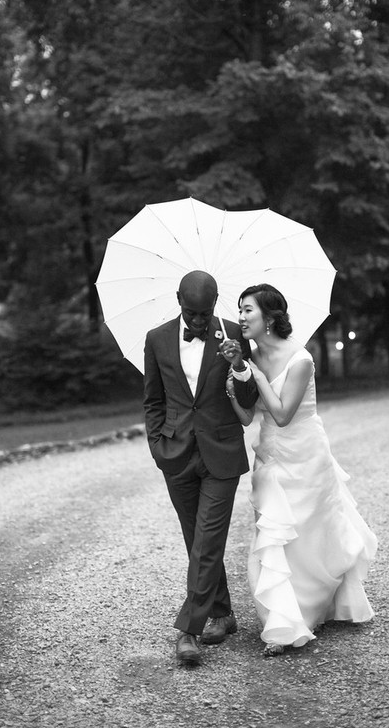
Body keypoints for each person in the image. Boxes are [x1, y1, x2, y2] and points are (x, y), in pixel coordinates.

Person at [226, 283, 377, 656]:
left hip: (305, 454)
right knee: (275, 536)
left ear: (271, 317)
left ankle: (313, 608)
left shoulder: (301, 359)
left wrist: (256, 376)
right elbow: (250, 418)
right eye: (240, 310)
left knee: (310, 536)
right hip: (271, 457)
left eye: (248, 310)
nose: (241, 318)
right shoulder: (250, 356)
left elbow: (282, 413)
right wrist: (234, 383)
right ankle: (284, 621)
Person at [143, 270, 258, 666]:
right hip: (176, 454)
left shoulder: (233, 335)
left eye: (204, 313)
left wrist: (239, 365)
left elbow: (250, 399)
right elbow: (153, 400)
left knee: (207, 542)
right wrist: (158, 446)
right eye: (191, 313)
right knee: (198, 543)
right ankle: (223, 615)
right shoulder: (156, 339)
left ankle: (188, 630)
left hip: (221, 453)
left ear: (215, 303)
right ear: (178, 300)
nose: (198, 321)